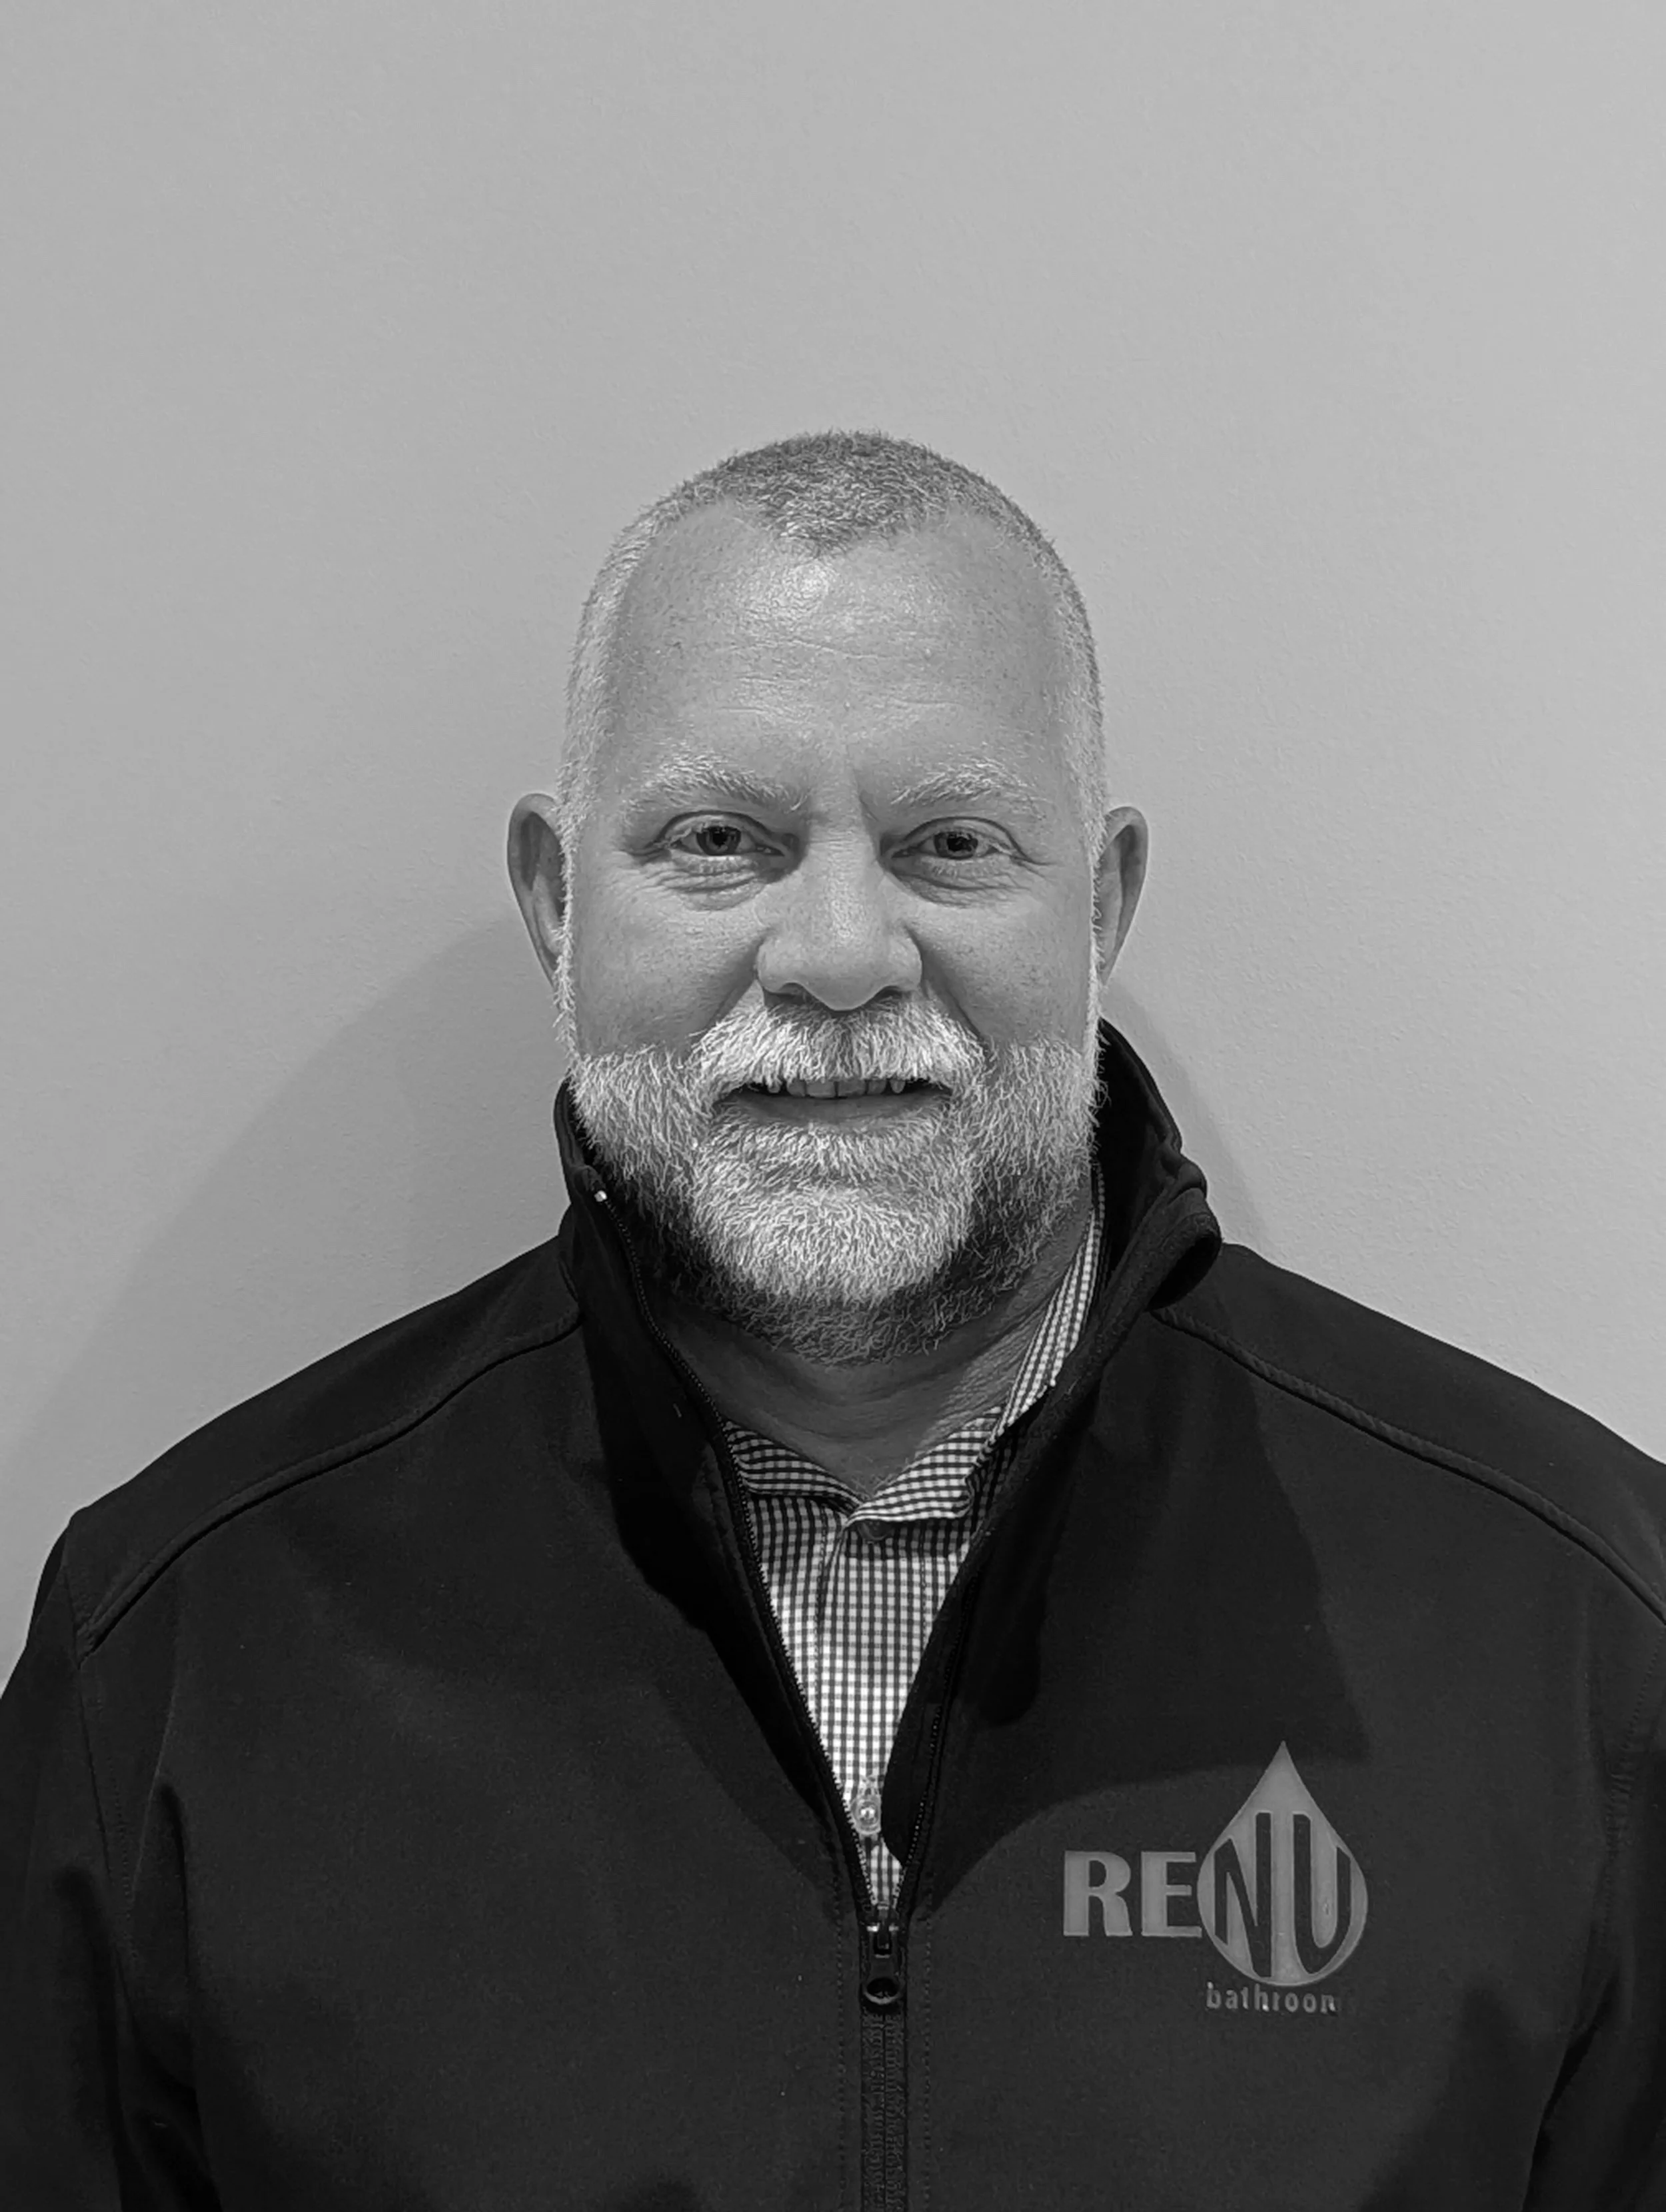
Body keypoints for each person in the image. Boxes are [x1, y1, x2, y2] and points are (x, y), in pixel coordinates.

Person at [2, 428, 1662, 2211]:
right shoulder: (182, 1653)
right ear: (557, 903)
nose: (843, 952)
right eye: (720, 842)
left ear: (1100, 906)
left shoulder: (1573, 1628)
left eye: (952, 844)